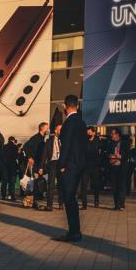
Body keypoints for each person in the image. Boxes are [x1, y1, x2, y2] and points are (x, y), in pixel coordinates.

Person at [55, 94, 87, 242]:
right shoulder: (81, 122)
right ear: (77, 106)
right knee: (71, 197)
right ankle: (75, 231)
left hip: (70, 166)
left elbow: (66, 146)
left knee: (69, 198)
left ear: (65, 106)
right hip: (80, 164)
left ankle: (74, 232)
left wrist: (61, 165)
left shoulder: (68, 123)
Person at [22, 123, 50, 210]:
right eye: (47, 128)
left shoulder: (43, 138)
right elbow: (26, 146)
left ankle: (33, 202)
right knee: (32, 183)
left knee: (36, 183)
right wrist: (29, 157)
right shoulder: (36, 138)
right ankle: (28, 202)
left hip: (39, 164)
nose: (48, 130)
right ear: (42, 129)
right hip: (34, 164)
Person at [106, 127, 128, 210]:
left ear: (117, 135)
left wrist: (119, 156)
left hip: (121, 167)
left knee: (121, 186)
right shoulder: (110, 143)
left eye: (113, 134)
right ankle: (116, 205)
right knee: (114, 187)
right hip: (113, 167)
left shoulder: (124, 143)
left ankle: (122, 204)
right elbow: (107, 153)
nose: (111, 135)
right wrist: (110, 156)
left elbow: (127, 155)